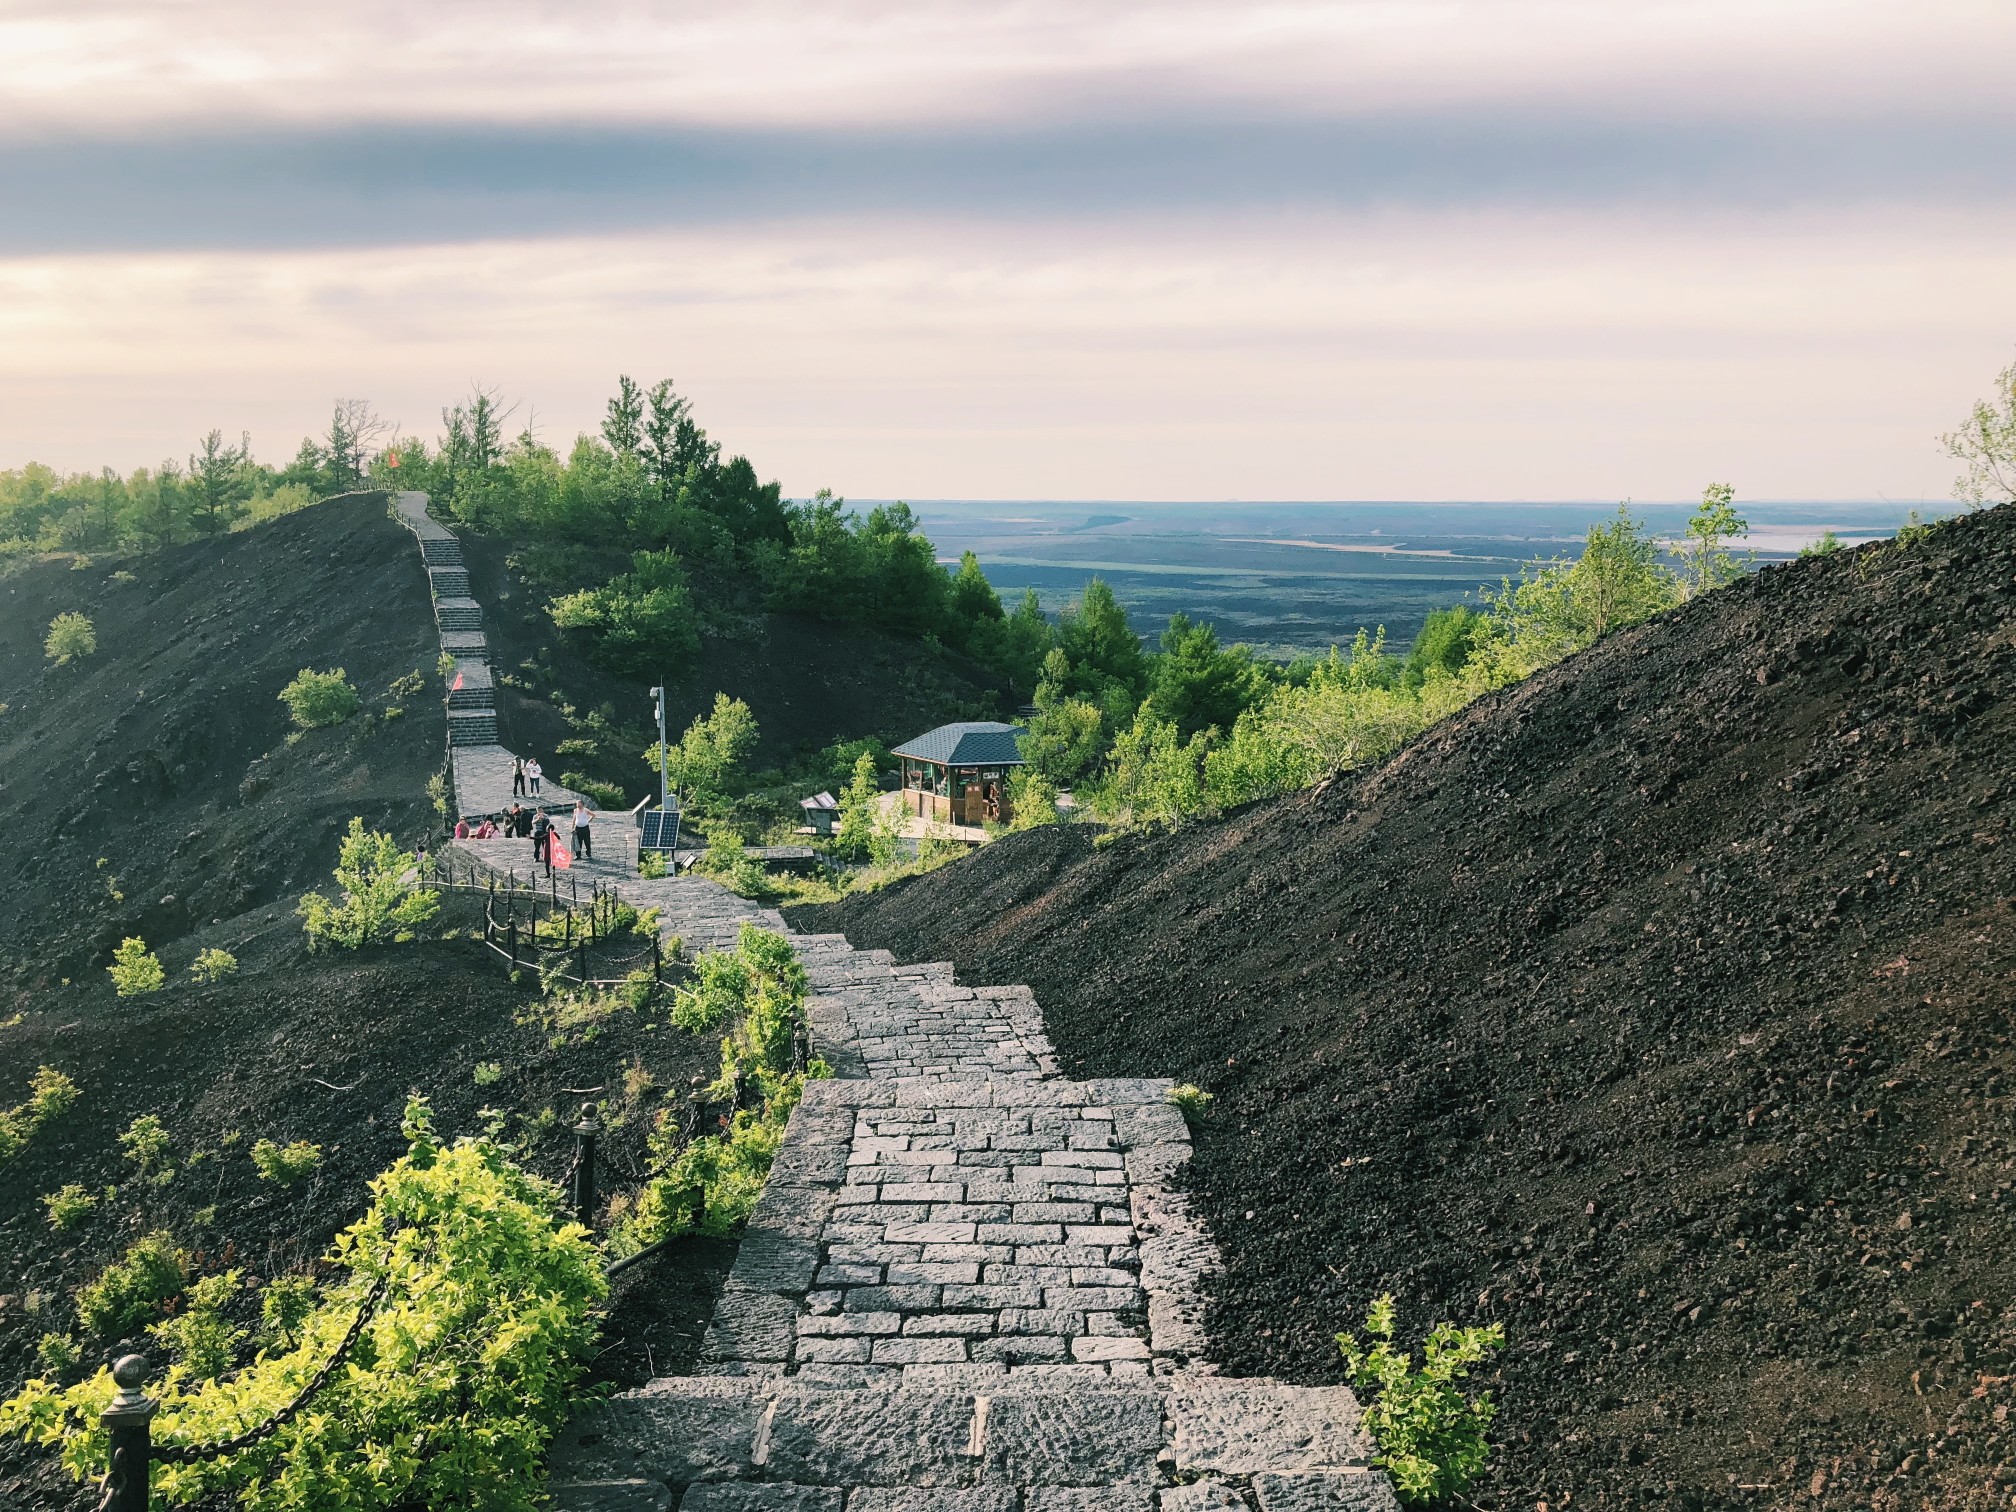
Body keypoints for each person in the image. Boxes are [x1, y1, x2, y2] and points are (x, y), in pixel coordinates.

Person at [531, 809, 552, 876]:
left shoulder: (546, 816)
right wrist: (538, 819)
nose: (540, 812)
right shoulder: (535, 816)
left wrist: (543, 818)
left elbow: (548, 823)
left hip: (544, 832)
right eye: (539, 811)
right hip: (538, 831)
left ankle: (548, 858)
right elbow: (533, 822)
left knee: (545, 846)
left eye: (541, 811)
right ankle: (536, 857)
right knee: (537, 846)